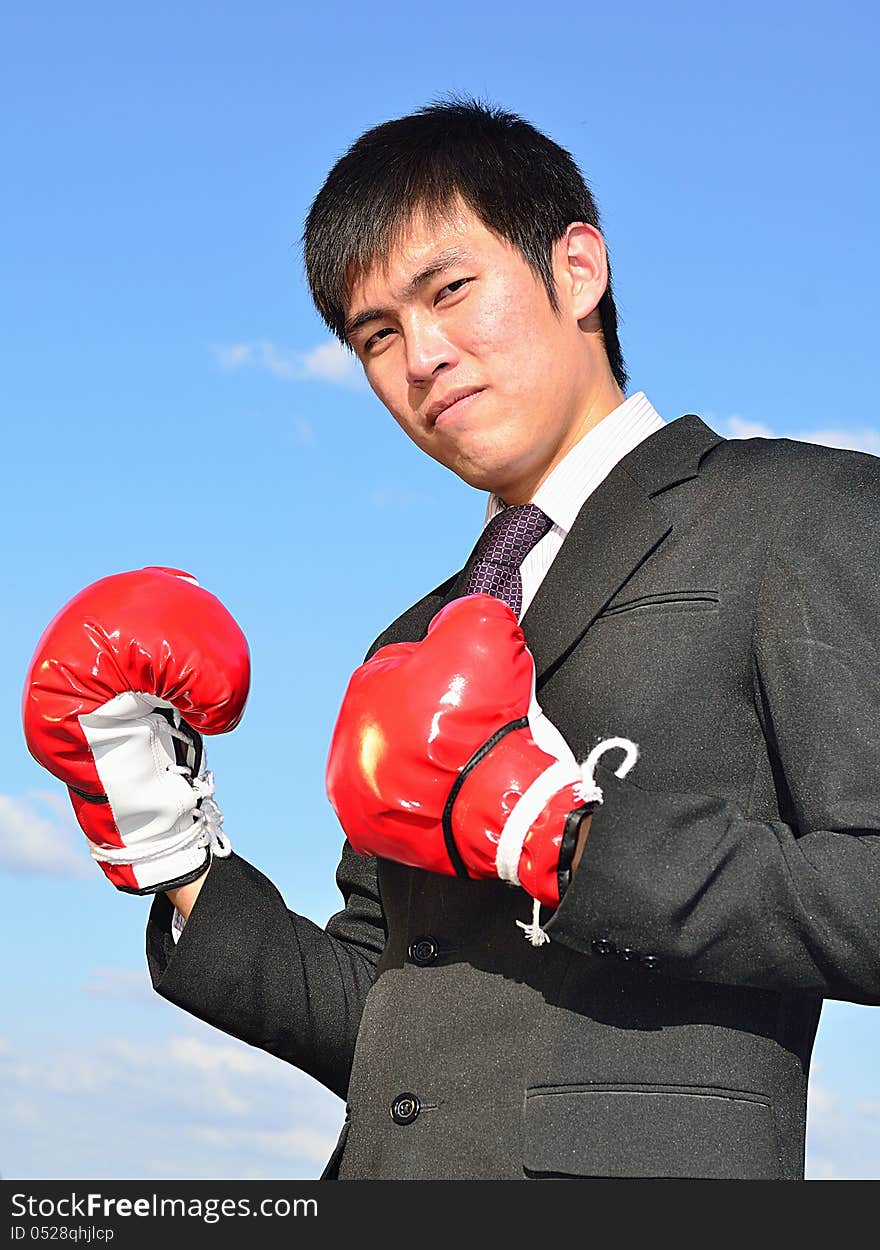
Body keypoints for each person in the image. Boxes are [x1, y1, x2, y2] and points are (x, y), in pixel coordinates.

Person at [22, 97, 880, 1181]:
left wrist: (561, 837)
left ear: (577, 269)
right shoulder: (412, 637)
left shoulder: (797, 513)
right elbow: (385, 1019)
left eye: (450, 290)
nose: (419, 355)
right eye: (375, 334)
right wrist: (174, 852)